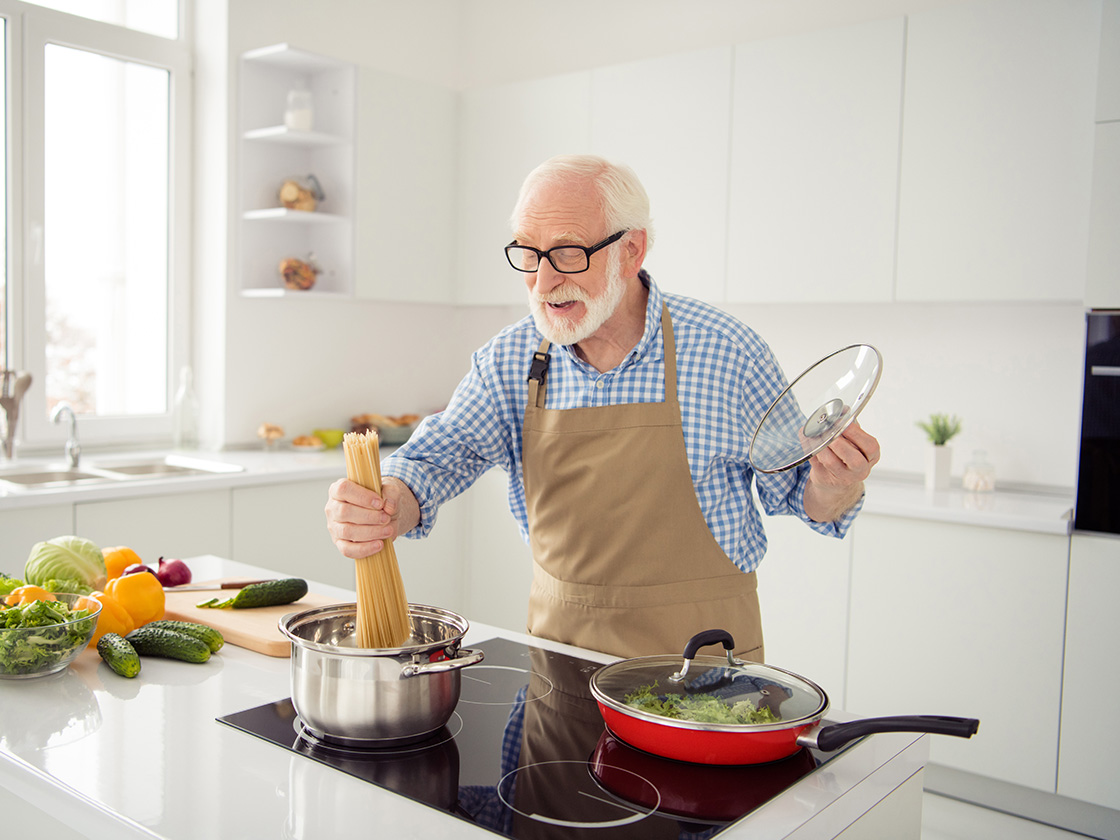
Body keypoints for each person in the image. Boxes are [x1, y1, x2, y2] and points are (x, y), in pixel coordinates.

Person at [325, 154, 880, 660]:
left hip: (706, 671)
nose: (543, 282)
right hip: (560, 665)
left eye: (567, 253)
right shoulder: (510, 359)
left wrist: (836, 485)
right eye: (528, 253)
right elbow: (433, 461)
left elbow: (802, 496)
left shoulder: (727, 351)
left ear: (631, 249)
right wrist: (386, 505)